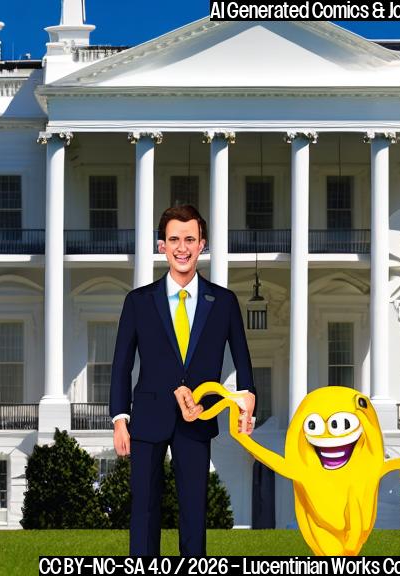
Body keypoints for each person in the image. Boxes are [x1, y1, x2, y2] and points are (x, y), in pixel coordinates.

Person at [110, 205, 256, 556]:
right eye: (174, 239)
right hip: (147, 417)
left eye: (190, 239)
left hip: (198, 418)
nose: (182, 247)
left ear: (202, 244)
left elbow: (242, 357)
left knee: (194, 509)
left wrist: (247, 399)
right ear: (161, 246)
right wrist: (119, 418)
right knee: (144, 507)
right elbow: (121, 364)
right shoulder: (138, 301)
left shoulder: (223, 301)